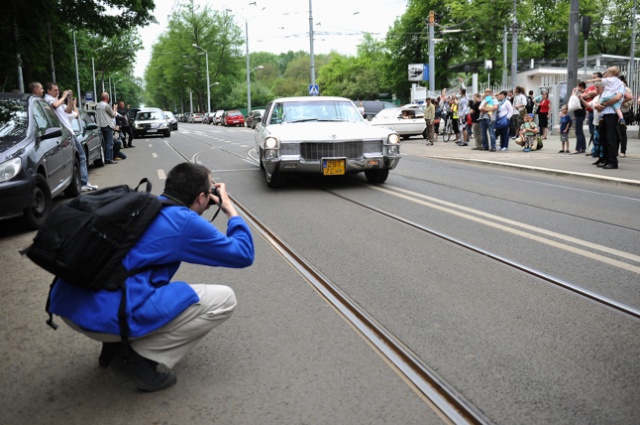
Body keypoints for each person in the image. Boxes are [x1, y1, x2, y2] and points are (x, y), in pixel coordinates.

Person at [48, 162, 255, 391]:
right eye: (210, 193)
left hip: (69, 307)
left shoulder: (143, 206)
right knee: (224, 299)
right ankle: (136, 359)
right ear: (201, 198)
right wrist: (229, 209)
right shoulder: (184, 221)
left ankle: (114, 347)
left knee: (139, 278)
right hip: (102, 319)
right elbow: (244, 254)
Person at [43, 82, 97, 192]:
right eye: (55, 90)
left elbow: (68, 111)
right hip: (66, 133)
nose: (57, 92)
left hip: (69, 132)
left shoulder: (58, 102)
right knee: (81, 157)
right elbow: (55, 105)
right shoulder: (48, 100)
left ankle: (83, 181)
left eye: (58, 90)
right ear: (48, 91)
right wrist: (63, 96)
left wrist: (70, 99)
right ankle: (83, 182)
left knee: (79, 157)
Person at [96, 92, 118, 164]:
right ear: (107, 98)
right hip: (107, 126)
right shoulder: (106, 106)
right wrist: (114, 108)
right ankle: (108, 159)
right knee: (109, 143)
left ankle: (103, 158)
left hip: (100, 126)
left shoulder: (98, 105)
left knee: (103, 143)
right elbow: (113, 115)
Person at [569, 82, 587, 154]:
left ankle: (578, 148)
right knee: (580, 131)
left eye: (578, 86)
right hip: (579, 114)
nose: (577, 88)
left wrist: (573, 93)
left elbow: (574, 101)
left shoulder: (583, 94)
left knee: (578, 131)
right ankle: (583, 147)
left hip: (580, 114)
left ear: (581, 87)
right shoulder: (581, 94)